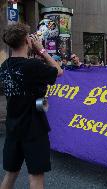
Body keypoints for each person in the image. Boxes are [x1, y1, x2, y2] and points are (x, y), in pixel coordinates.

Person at [0, 23, 63, 189]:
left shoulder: (4, 67)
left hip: (13, 127)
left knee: (11, 173)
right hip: (34, 128)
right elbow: (58, 70)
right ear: (27, 40)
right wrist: (41, 49)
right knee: (36, 176)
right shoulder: (32, 66)